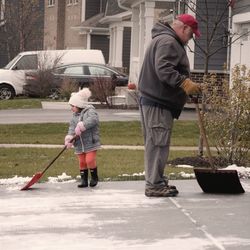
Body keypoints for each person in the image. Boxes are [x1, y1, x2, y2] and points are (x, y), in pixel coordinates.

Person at [138, 14, 201, 197]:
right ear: (184, 29)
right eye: (191, 34)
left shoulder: (163, 38)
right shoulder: (168, 41)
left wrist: (186, 89)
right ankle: (154, 185)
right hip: (158, 102)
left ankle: (156, 180)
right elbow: (164, 69)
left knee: (155, 142)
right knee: (158, 143)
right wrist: (185, 84)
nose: (191, 38)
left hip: (154, 100)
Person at [64, 88, 101, 188]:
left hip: (90, 142)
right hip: (79, 144)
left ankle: (94, 178)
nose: (71, 108)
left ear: (78, 105)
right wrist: (69, 138)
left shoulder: (90, 111)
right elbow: (72, 128)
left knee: (89, 160)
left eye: (72, 106)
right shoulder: (74, 116)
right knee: (82, 162)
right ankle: (84, 180)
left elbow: (93, 120)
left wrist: (82, 125)